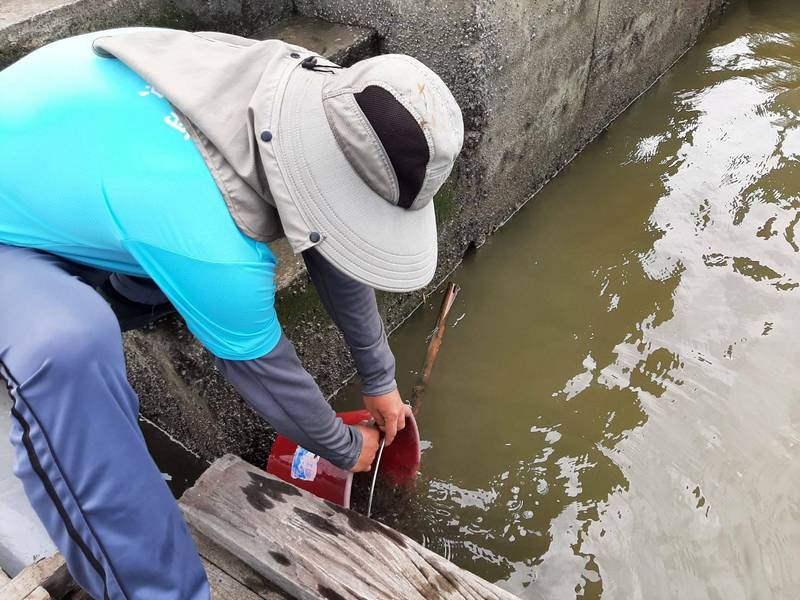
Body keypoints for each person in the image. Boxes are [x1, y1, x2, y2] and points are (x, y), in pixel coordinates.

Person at [0, 26, 463, 600]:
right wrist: (345, 451)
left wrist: (380, 378)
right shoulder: (211, 249)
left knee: (156, 280)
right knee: (69, 348)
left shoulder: (320, 90)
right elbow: (264, 371)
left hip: (54, 150)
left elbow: (328, 238)